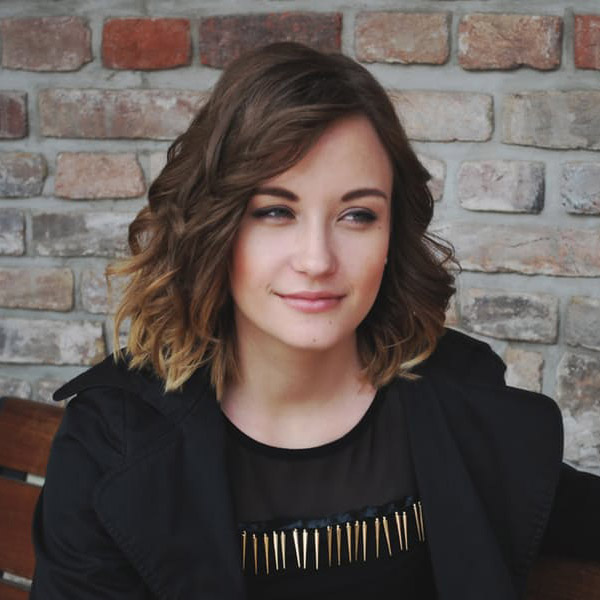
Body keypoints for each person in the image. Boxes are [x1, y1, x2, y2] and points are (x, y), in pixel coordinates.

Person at [30, 42, 600, 600]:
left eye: (357, 215)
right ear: (215, 227)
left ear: (390, 236)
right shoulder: (113, 441)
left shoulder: (463, 402)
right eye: (276, 211)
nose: (317, 260)